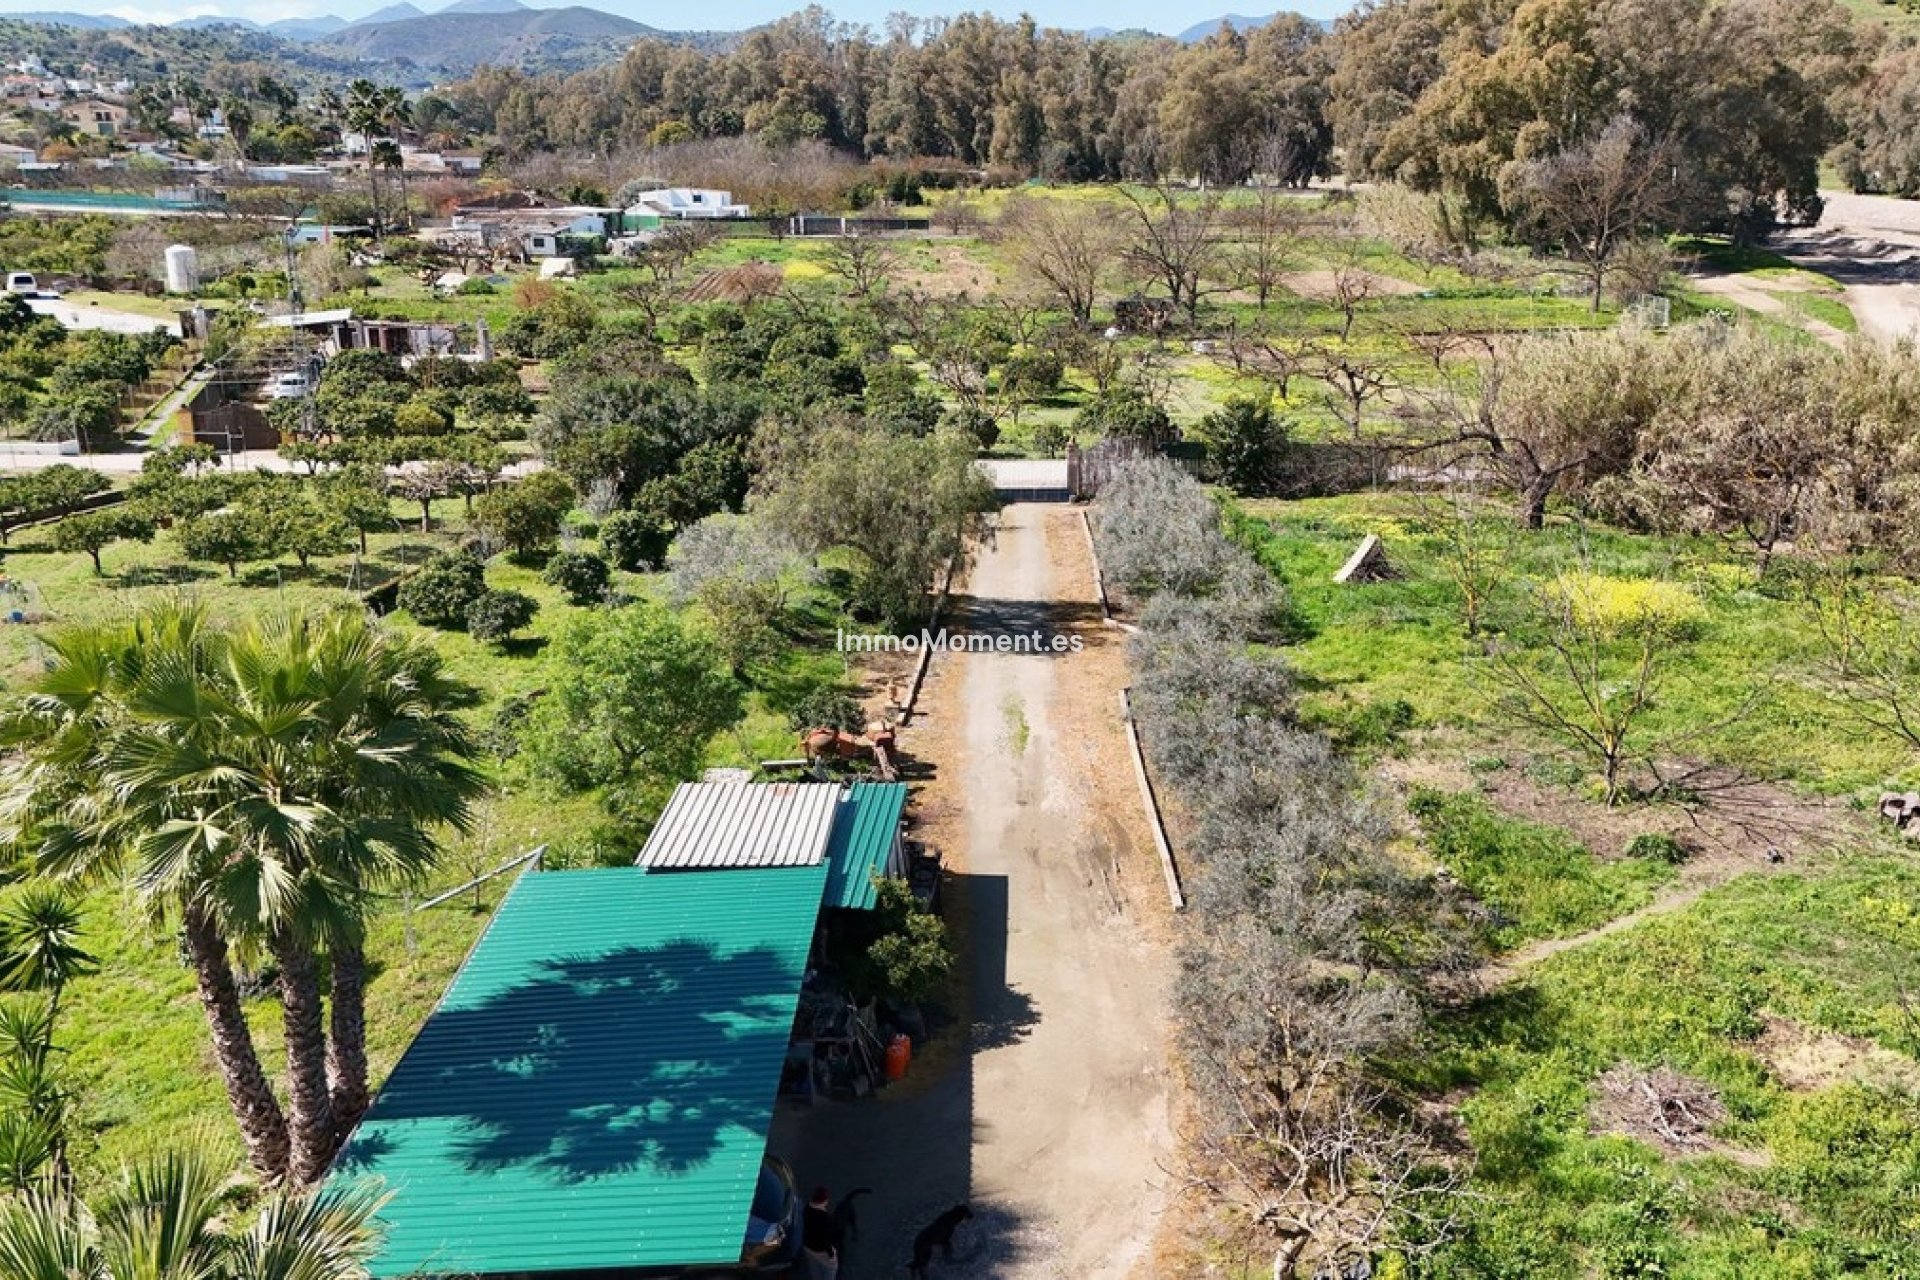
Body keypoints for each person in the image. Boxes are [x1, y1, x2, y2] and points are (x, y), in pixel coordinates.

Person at [801, 1185, 841, 1278]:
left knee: (814, 1269)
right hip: (821, 1251)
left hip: (808, 1247)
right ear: (825, 1200)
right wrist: (832, 1254)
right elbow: (826, 1240)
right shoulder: (825, 1218)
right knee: (831, 1269)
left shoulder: (806, 1209)